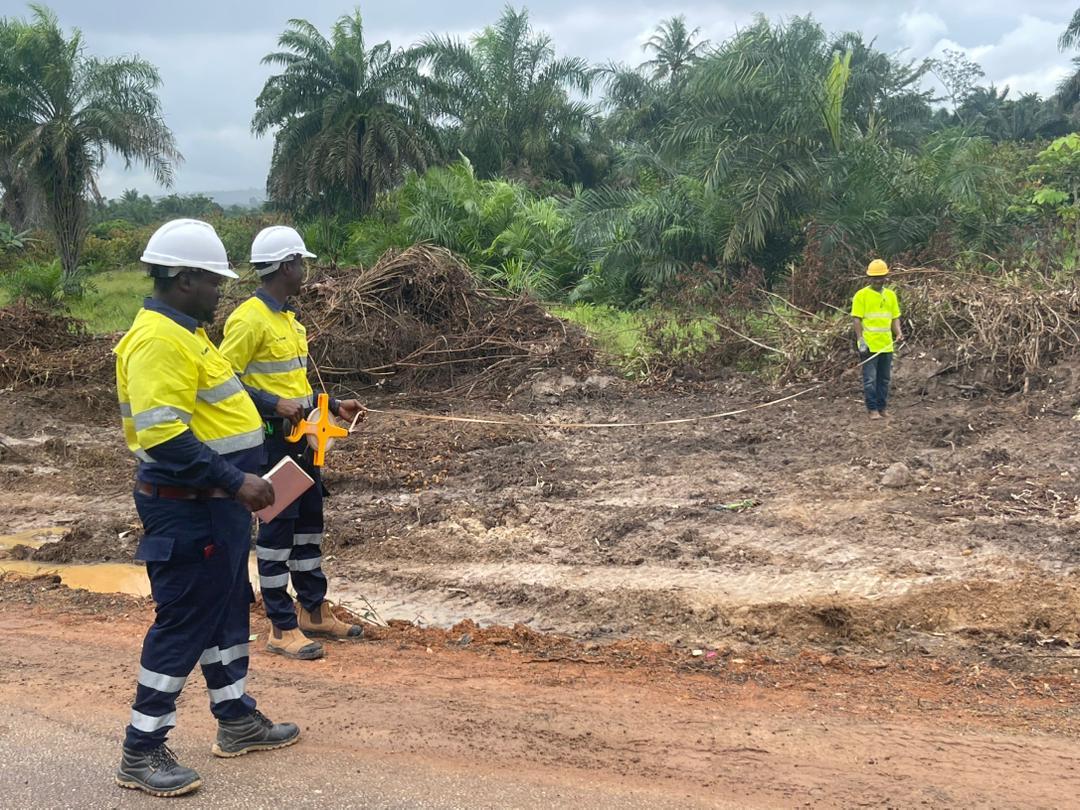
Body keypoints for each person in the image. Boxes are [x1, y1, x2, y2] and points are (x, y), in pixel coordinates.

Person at [114, 219, 299, 798]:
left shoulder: (188, 332)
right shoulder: (158, 341)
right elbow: (165, 437)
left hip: (215, 505)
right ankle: (141, 750)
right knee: (186, 619)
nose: (222, 292)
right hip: (189, 506)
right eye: (214, 281)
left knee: (225, 611)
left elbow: (227, 403)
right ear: (185, 277)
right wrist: (234, 479)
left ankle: (236, 717)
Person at [219, 225, 366, 661]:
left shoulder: (287, 318)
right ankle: (281, 627)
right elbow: (223, 381)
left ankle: (313, 611)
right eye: (301, 262)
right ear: (286, 266)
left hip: (304, 444)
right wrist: (271, 404)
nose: (305, 270)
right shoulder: (249, 318)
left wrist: (334, 403)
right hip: (273, 446)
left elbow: (294, 387)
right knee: (277, 534)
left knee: (308, 530)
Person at [851, 258, 903, 420]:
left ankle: (882, 407)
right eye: (875, 278)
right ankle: (872, 409)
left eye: (881, 278)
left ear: (886, 277)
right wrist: (861, 340)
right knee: (870, 379)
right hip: (869, 345)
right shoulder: (861, 295)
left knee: (884, 379)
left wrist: (898, 333)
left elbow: (894, 318)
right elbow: (857, 319)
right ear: (869, 278)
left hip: (886, 345)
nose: (878, 281)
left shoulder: (891, 295)